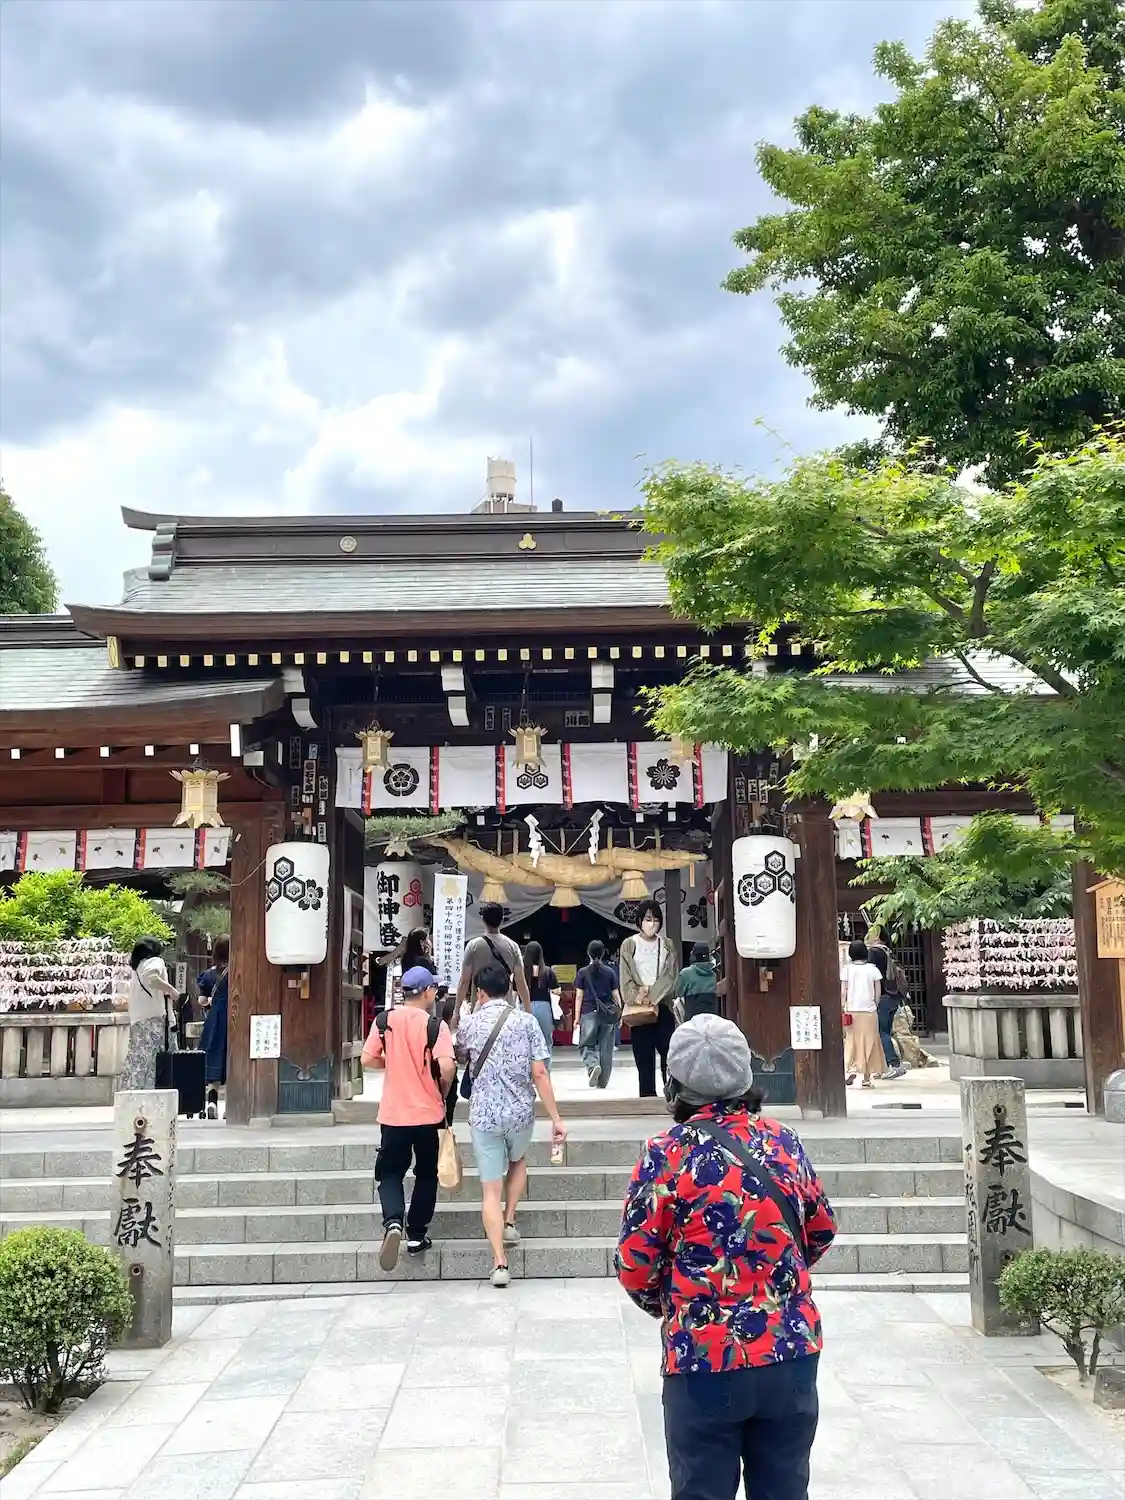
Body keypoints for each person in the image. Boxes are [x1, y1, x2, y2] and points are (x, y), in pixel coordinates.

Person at [616, 1014, 837, 1500]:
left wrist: (674, 1305)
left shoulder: (664, 1155)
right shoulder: (783, 1141)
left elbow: (635, 1265)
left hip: (702, 1354)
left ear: (675, 1083)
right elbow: (821, 1229)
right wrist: (777, 1281)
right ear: (746, 1074)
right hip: (790, 1350)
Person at [456, 963, 567, 1288]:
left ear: (480, 992)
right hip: (520, 1113)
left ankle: (499, 1263)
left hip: (484, 1115)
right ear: (509, 990)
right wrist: (556, 1118)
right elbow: (539, 1072)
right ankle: (509, 1220)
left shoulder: (470, 1024)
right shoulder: (527, 1022)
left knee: (490, 1190)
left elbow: (459, 1057)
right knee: (517, 1160)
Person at [361, 965, 456, 1270]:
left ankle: (392, 1222)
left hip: (393, 1114)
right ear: (427, 991)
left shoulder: (384, 1020)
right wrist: (442, 1087)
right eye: (434, 989)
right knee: (427, 1174)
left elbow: (366, 1058)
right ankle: (416, 1234)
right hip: (428, 1114)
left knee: (390, 1173)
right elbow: (447, 1065)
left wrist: (394, 1062)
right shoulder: (435, 1025)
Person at [618, 899, 678, 1097]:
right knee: (643, 1056)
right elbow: (625, 977)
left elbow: (671, 975)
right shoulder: (629, 945)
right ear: (639, 921)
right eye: (648, 919)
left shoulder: (667, 944)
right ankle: (647, 1096)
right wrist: (637, 997)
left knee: (668, 1050)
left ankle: (671, 1091)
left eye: (656, 919)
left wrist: (653, 996)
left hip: (662, 1005)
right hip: (639, 1009)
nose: (652, 923)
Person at [119, 937, 180, 1092]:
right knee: (158, 1061)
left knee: (138, 1060)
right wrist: (171, 990)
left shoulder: (137, 968)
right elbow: (152, 978)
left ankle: (133, 1093)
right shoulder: (155, 961)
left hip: (137, 1020)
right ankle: (155, 1094)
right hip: (155, 1020)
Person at [457, 901, 531, 1014]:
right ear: (502, 920)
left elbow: (464, 981)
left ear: (483, 920)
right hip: (506, 1009)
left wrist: (456, 1011)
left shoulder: (473, 946)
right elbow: (521, 982)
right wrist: (528, 1011)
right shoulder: (513, 946)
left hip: (480, 1007)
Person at [574, 939, 622, 1088]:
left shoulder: (582, 972)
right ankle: (602, 1082)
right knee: (606, 1049)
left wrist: (576, 1018)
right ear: (602, 954)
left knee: (586, 1044)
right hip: (607, 1013)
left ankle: (593, 1065)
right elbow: (616, 995)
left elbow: (579, 997)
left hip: (589, 1012)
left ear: (588, 953)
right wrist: (620, 1014)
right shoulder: (610, 972)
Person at [840, 940, 885, 1088]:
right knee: (870, 1042)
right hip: (869, 1011)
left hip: (851, 1011)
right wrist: (874, 1004)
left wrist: (843, 1007)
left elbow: (843, 992)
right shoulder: (873, 970)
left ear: (851, 954)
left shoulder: (846, 970)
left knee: (852, 1041)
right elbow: (878, 992)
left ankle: (852, 1069)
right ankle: (866, 1078)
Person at [865, 942, 907, 1080]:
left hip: (882, 998)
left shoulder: (874, 952)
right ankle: (885, 1067)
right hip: (893, 997)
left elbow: (870, 976)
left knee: (881, 1033)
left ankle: (895, 1065)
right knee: (886, 1032)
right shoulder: (887, 951)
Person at [199, 937, 229, 1119]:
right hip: (233, 1018)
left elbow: (201, 1001)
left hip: (214, 1019)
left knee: (214, 1055)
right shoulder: (237, 971)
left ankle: (212, 1102)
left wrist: (210, 1001)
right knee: (232, 1058)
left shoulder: (209, 975)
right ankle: (231, 1106)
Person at [522, 940, 559, 1062]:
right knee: (546, 1041)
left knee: (525, 1041)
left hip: (525, 1007)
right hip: (544, 1007)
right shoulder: (547, 971)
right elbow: (556, 991)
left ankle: (528, 1070)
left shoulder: (521, 972)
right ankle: (545, 1070)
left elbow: (514, 993)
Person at [673, 942, 719, 1023]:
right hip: (712, 1019)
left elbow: (677, 993)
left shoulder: (686, 973)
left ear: (693, 956)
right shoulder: (715, 974)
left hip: (692, 1020)